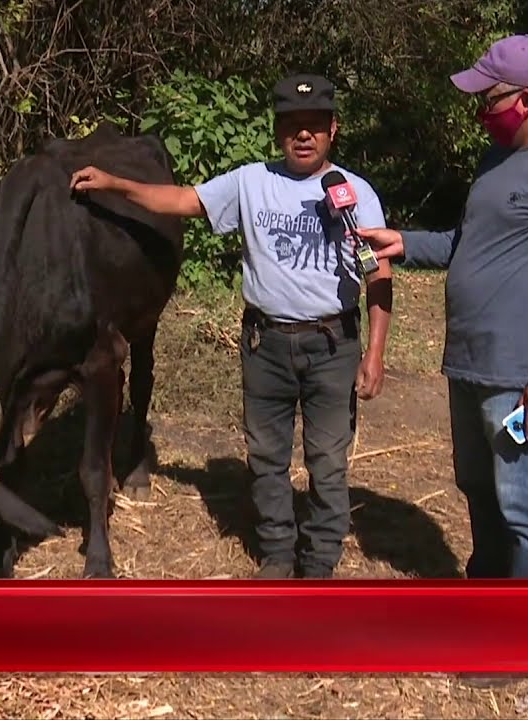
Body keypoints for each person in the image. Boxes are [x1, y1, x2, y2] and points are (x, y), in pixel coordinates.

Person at [69, 73, 394, 579]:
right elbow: (183, 201)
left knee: (328, 459)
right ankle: (278, 554)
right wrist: (115, 185)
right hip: (266, 344)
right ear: (277, 130)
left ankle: (320, 561)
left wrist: (375, 352)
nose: (302, 134)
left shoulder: (356, 193)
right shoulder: (250, 182)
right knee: (265, 455)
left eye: (314, 124)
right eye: (291, 124)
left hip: (333, 344)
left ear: (333, 129)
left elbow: (379, 273)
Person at [356, 35, 528, 582]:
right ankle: (486, 598)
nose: (480, 113)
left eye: (488, 100)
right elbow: (468, 242)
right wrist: (404, 243)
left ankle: (524, 625)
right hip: (469, 363)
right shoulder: (498, 158)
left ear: (525, 100)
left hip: (518, 378)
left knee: (524, 505)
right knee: (478, 488)